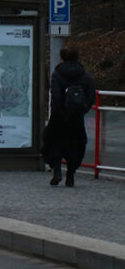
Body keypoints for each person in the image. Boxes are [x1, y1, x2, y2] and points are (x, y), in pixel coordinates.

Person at [42, 46, 96, 187]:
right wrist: (82, 109)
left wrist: (59, 110)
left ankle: (57, 171)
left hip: (58, 116)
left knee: (53, 142)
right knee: (75, 145)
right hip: (76, 117)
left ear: (63, 57)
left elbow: (56, 95)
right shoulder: (85, 76)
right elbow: (91, 97)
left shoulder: (57, 74)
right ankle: (71, 175)